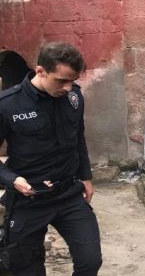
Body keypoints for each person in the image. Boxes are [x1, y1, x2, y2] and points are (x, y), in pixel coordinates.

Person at [0, 42, 102, 275]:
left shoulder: (74, 97)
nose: (68, 87)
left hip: (68, 194)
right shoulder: (7, 105)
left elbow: (78, 138)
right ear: (40, 71)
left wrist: (86, 176)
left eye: (72, 81)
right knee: (27, 268)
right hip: (28, 199)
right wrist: (12, 179)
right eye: (61, 81)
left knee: (90, 261)